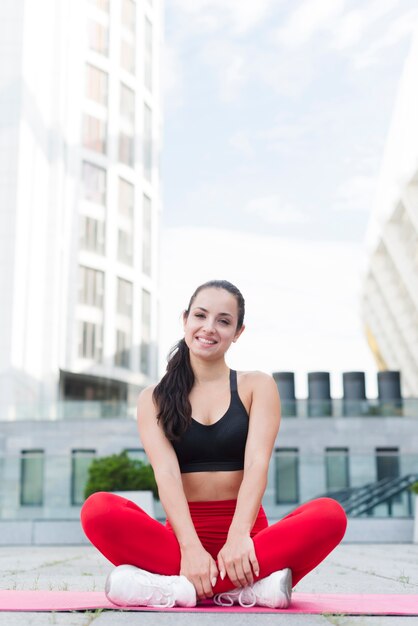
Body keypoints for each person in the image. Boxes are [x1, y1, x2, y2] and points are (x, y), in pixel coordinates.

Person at [81, 279, 347, 609]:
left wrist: (239, 536)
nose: (209, 328)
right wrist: (191, 548)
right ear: (185, 320)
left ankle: (176, 587)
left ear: (238, 332)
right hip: (180, 539)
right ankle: (242, 590)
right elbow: (166, 474)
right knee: (98, 510)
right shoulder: (153, 399)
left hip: (250, 540)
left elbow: (257, 465)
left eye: (223, 321)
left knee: (330, 515)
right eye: (200, 316)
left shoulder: (257, 386)